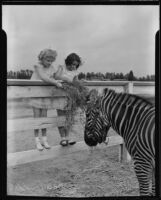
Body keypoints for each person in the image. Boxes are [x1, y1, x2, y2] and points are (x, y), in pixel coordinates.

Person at [29, 48, 62, 151]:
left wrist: (60, 70)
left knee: (44, 119)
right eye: (48, 60)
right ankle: (37, 140)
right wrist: (55, 83)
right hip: (35, 95)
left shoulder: (52, 67)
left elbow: (56, 76)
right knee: (37, 119)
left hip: (45, 95)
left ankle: (44, 140)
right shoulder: (38, 66)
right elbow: (44, 77)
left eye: (52, 61)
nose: (50, 63)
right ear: (42, 58)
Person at [55, 53, 83, 146]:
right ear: (67, 62)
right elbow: (56, 77)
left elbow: (76, 82)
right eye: (71, 64)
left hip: (71, 96)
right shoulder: (61, 68)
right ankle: (62, 138)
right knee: (61, 117)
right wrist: (66, 79)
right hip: (60, 95)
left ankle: (68, 137)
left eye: (75, 65)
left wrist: (80, 84)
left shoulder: (75, 72)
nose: (73, 66)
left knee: (69, 117)